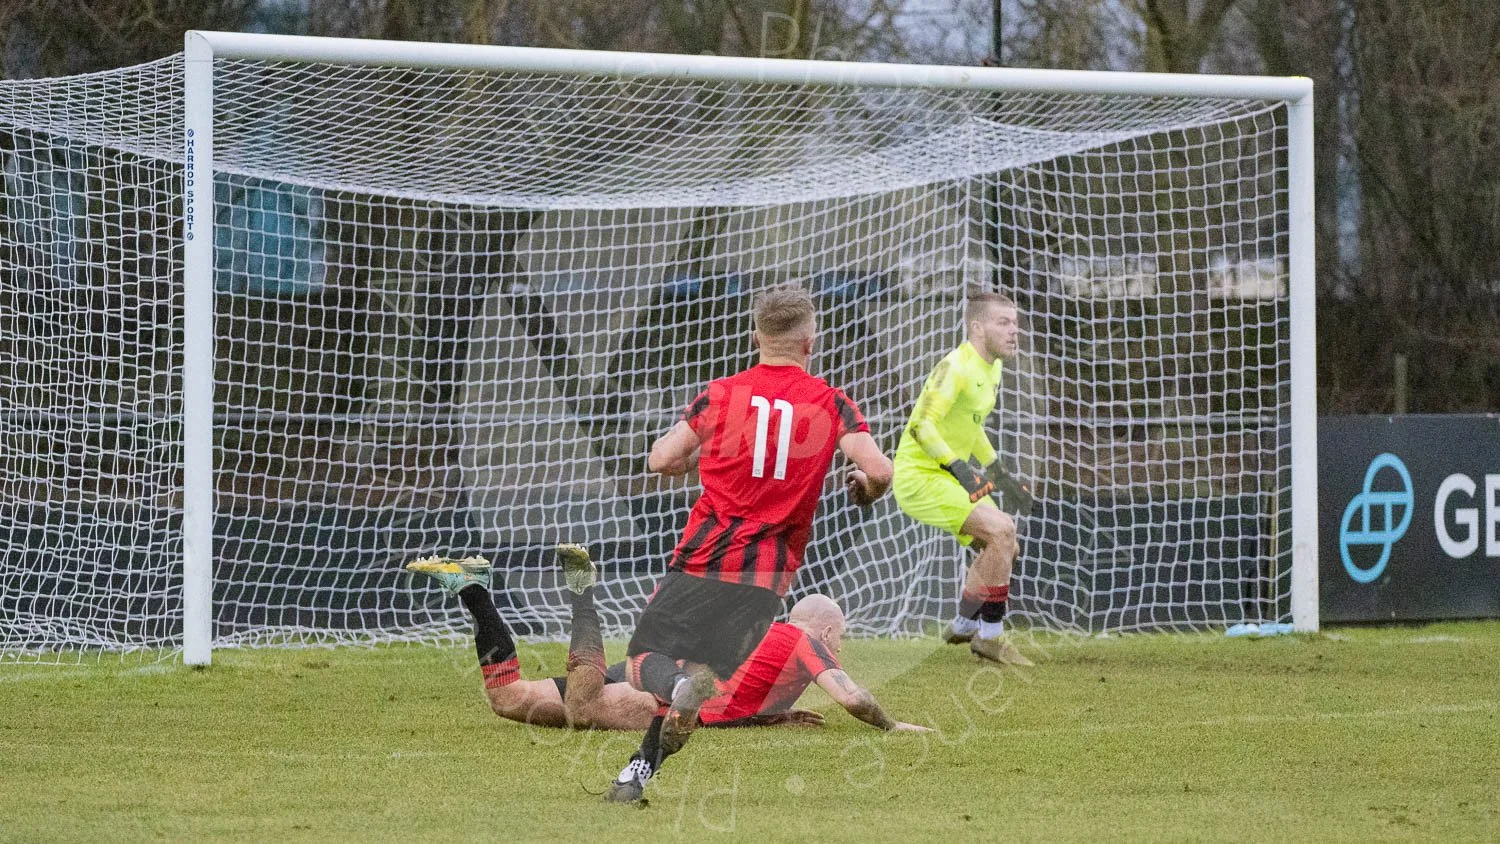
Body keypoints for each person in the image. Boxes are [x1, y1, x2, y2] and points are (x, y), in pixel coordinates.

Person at [605, 283, 896, 803]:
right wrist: (866, 488)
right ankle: (635, 777)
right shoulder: (832, 403)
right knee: (698, 676)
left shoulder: (720, 393)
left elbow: (660, 459)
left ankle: (671, 698)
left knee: (644, 660)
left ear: (755, 336)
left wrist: (696, 459)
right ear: (811, 341)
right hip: (768, 579)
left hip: (704, 556)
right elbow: (877, 468)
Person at [406, 549, 924, 734]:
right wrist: (892, 723)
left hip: (654, 672)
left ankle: (473, 588)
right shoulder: (805, 641)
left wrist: (771, 716)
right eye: (841, 640)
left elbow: (735, 683)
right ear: (828, 631)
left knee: (509, 699)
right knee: (583, 705)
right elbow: (852, 698)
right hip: (662, 697)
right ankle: (582, 591)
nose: (840, 649)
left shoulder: (760, 633)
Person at [892, 287, 1035, 667]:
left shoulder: (993, 366)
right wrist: (960, 468)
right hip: (919, 475)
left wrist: (998, 473)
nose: (1013, 330)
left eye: (1015, 323)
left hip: (947, 475)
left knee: (1004, 545)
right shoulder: (955, 366)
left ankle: (962, 624)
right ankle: (989, 638)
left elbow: (971, 426)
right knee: (1001, 532)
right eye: (1003, 322)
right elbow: (923, 426)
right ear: (976, 327)